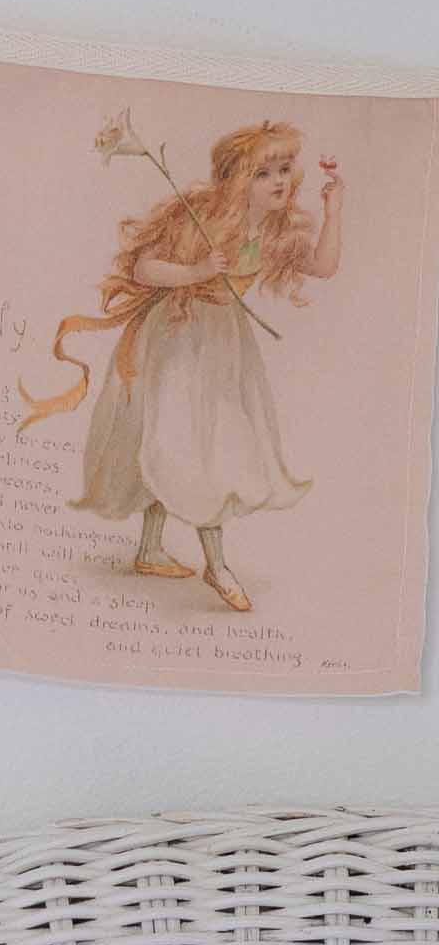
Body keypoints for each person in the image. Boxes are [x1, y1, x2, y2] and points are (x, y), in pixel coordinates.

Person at [21, 120, 343, 612]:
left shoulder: (274, 233)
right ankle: (216, 566)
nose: (280, 181)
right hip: (176, 339)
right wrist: (195, 271)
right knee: (185, 444)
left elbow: (324, 266)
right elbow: (143, 268)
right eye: (264, 173)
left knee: (191, 442)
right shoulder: (202, 218)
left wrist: (333, 207)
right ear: (236, 180)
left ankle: (151, 549)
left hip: (223, 347)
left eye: (284, 169)